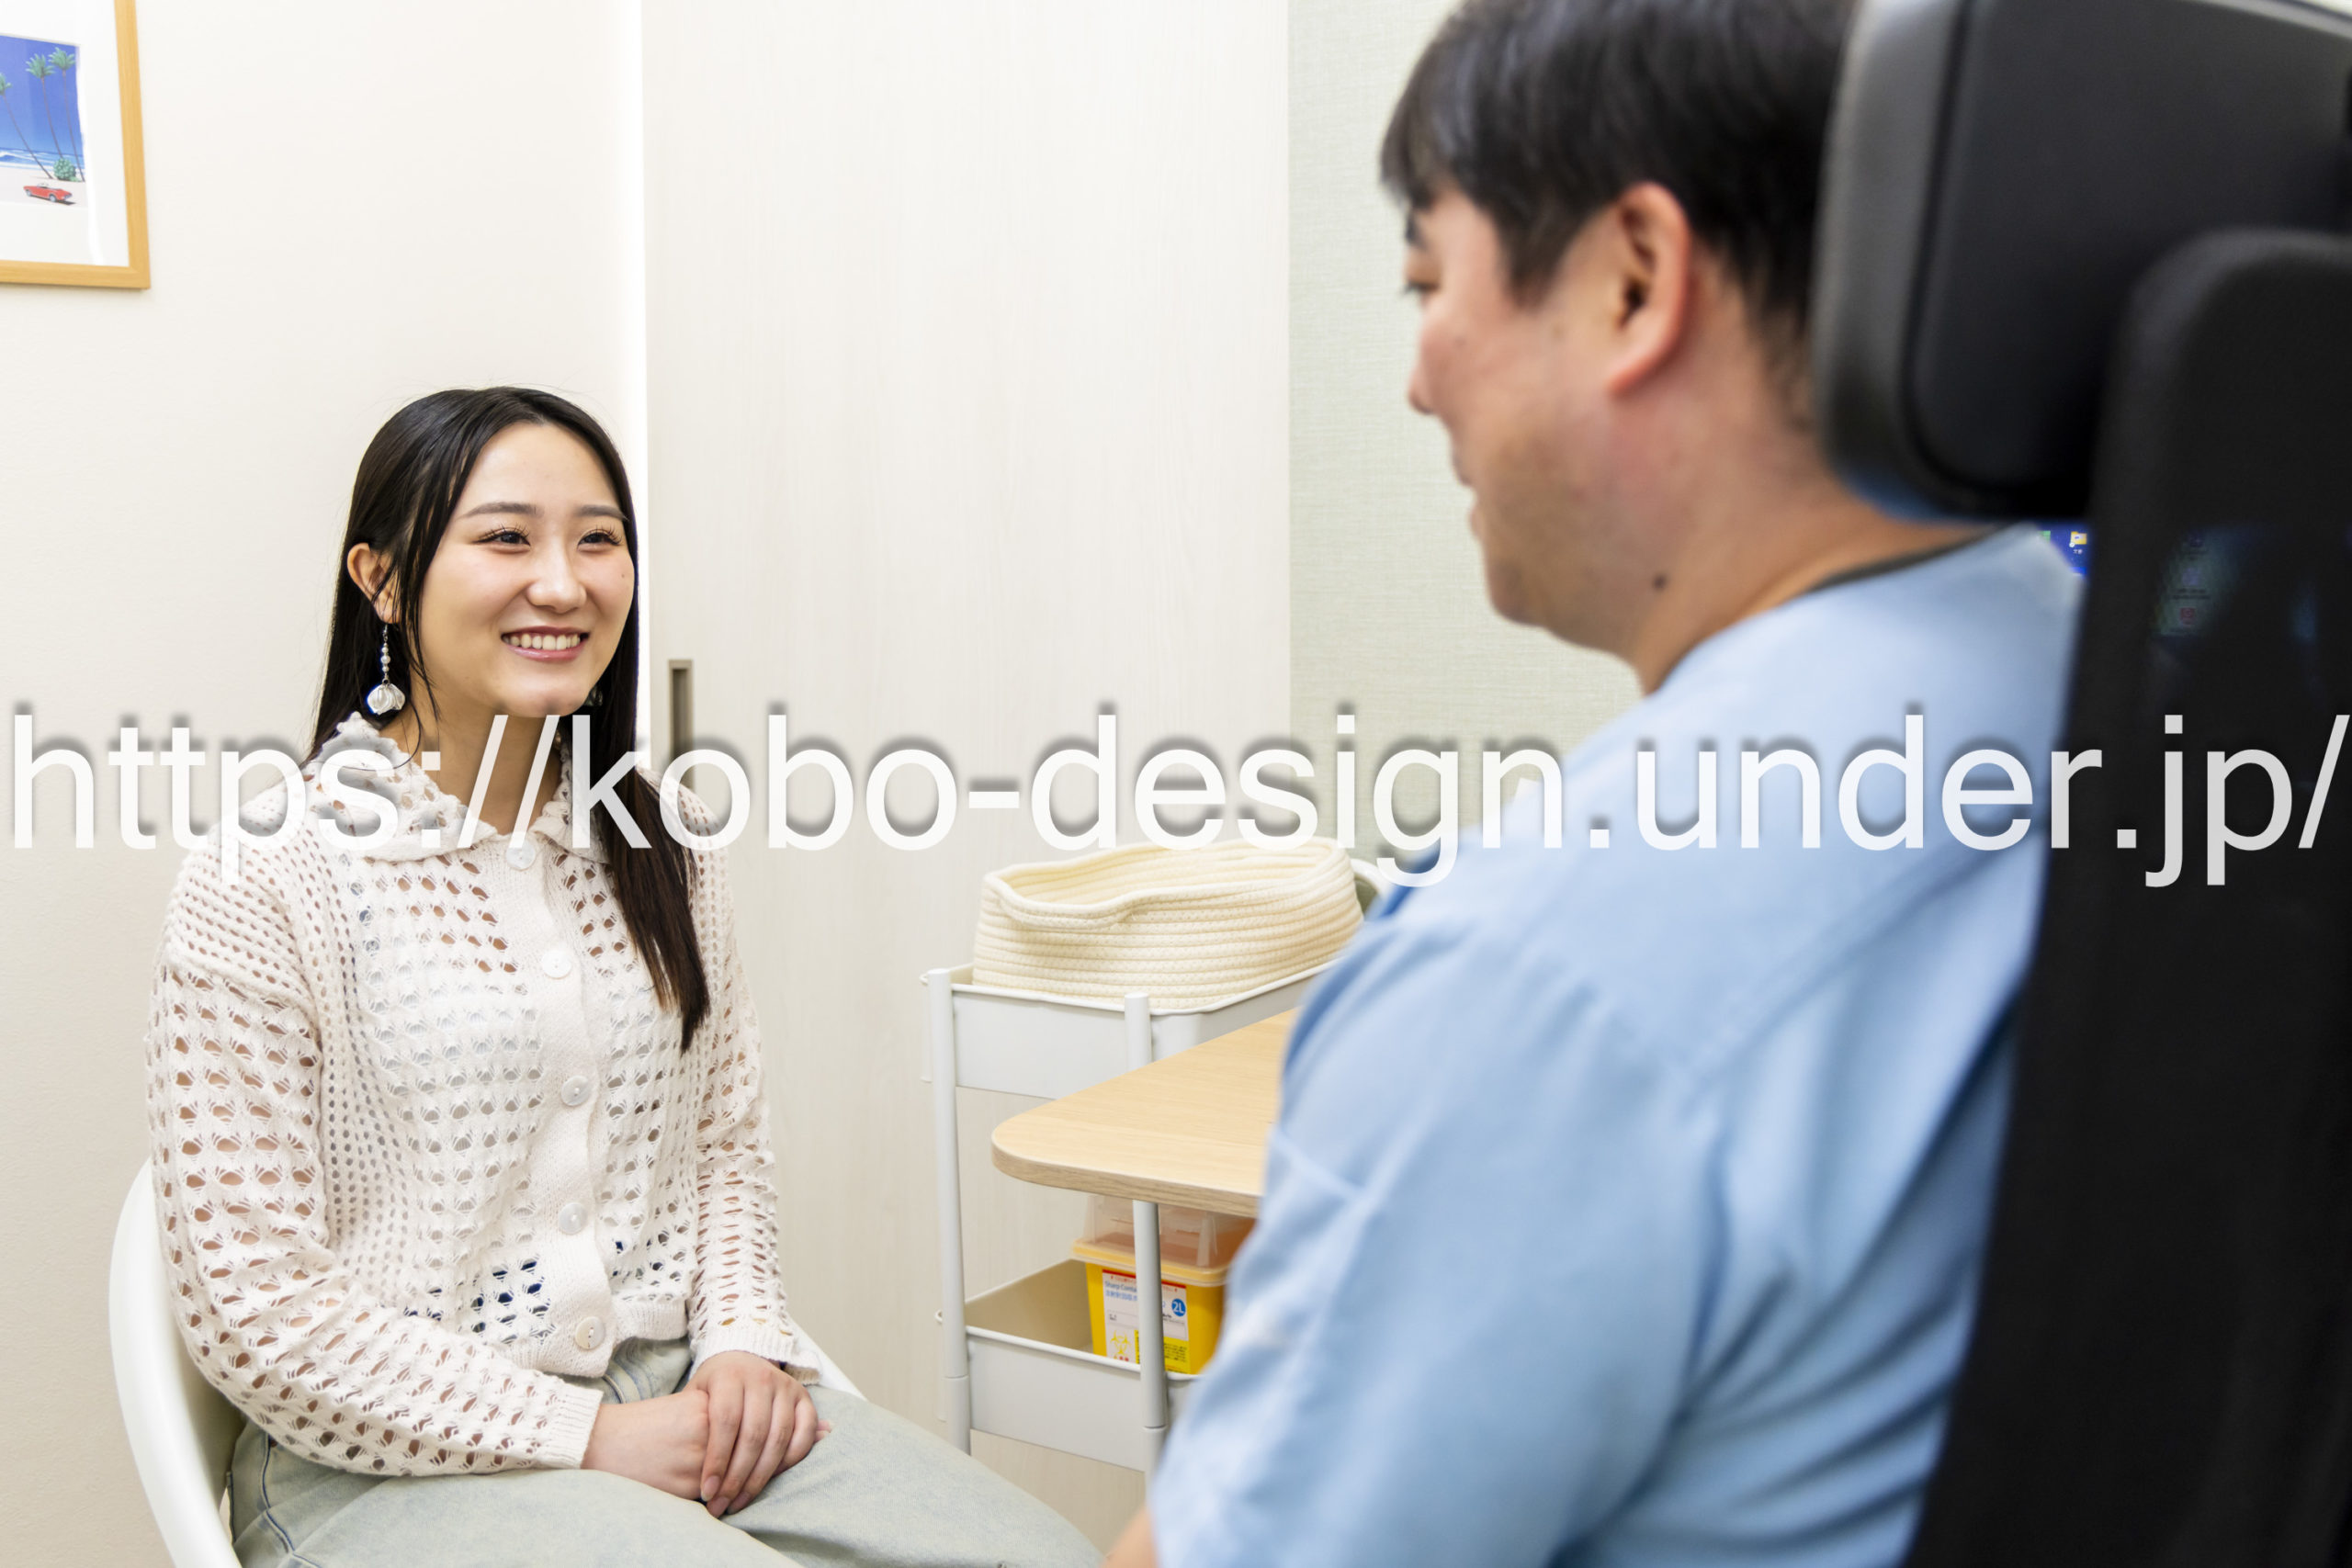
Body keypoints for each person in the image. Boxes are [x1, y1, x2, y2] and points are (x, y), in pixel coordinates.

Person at [1108, 1, 2081, 1564]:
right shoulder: (2129, 673)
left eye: (1430, 283)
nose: (1417, 379)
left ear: (1634, 280)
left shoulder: (1539, 972)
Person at [143, 387, 1098, 1568]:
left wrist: (742, 1340)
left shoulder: (664, 841)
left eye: (597, 540)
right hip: (380, 1469)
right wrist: (586, 1436)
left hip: (684, 1400)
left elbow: (721, 1146)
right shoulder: (267, 875)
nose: (563, 583)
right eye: (506, 538)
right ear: (380, 580)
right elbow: (256, 1307)